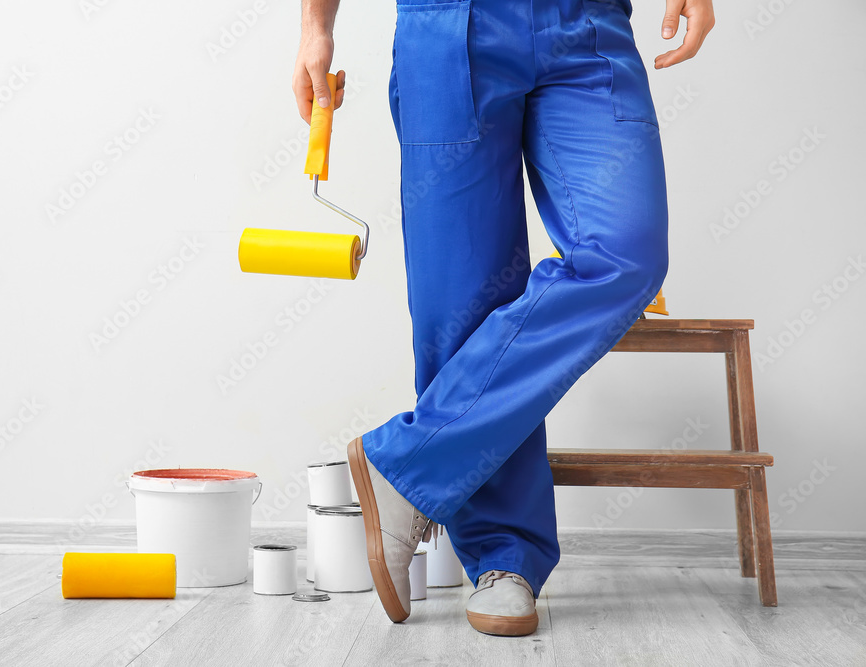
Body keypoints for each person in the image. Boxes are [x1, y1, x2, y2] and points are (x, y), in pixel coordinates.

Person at [293, 0, 715, 637]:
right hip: (448, 25)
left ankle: (407, 462)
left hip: (587, 26)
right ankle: (502, 556)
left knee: (626, 253)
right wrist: (315, 26)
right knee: (461, 301)